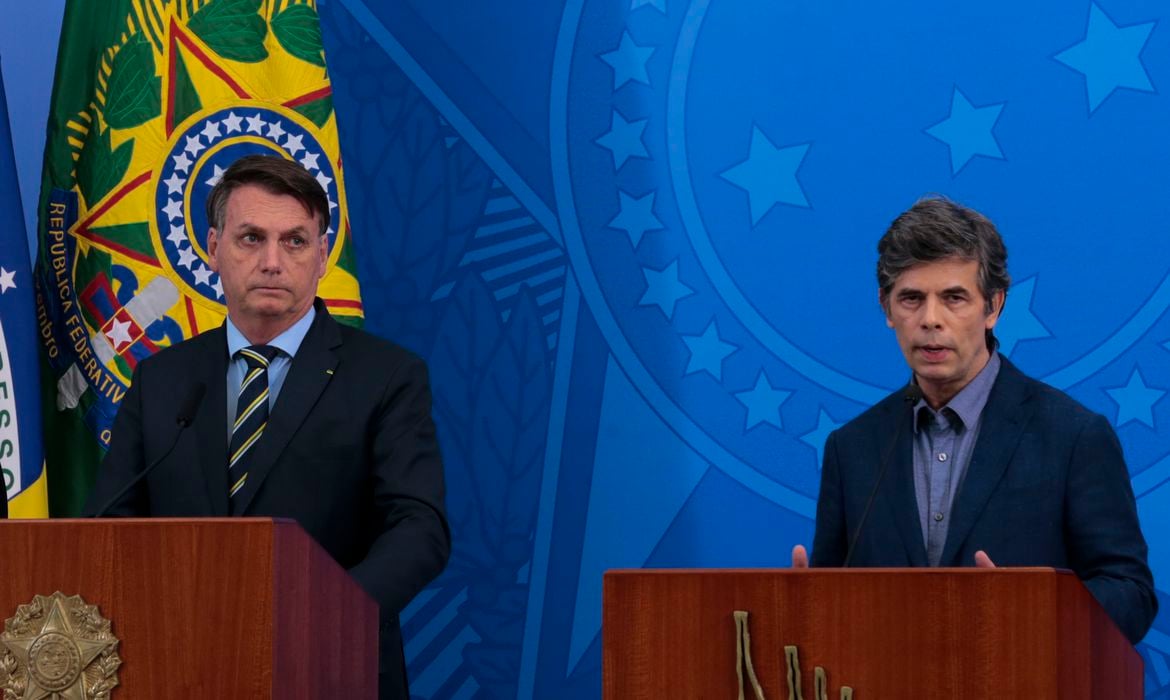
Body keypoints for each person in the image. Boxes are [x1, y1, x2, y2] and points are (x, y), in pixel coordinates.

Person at [83, 154, 450, 698]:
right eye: (251, 238)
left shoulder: (387, 376)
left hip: (328, 669)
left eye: (295, 241)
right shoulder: (163, 380)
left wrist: (327, 618)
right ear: (213, 248)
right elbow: (108, 526)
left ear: (323, 256)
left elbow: (420, 528)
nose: (272, 262)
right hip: (177, 667)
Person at [791, 197, 1156, 645]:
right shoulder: (853, 448)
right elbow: (835, 593)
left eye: (953, 298)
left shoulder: (1074, 436)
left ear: (994, 306)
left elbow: (1130, 595)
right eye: (911, 299)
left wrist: (1030, 610)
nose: (930, 320)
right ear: (887, 309)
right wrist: (807, 604)